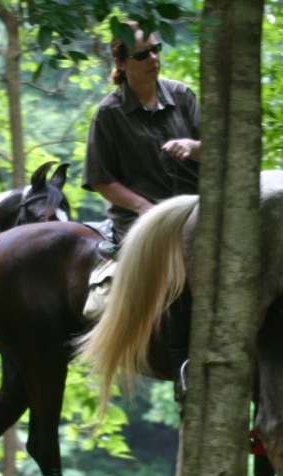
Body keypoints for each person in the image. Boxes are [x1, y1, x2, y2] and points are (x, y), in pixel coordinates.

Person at [82, 24, 201, 399]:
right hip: (139, 219)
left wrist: (193, 147)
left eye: (156, 49)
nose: (153, 59)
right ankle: (183, 364)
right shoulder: (109, 114)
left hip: (195, 210)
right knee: (179, 262)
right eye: (142, 55)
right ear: (120, 62)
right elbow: (100, 179)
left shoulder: (182, 96)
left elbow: (218, 147)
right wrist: (144, 207)